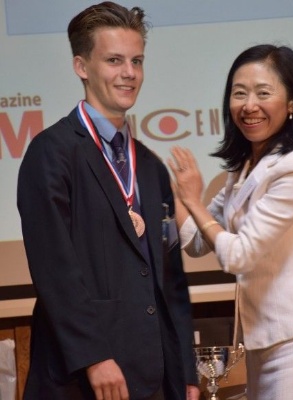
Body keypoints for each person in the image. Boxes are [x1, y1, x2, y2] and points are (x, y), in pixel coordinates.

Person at [17, 2, 200, 400]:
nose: (129, 73)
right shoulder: (51, 152)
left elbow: (171, 281)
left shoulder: (150, 166)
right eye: (114, 60)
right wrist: (94, 356)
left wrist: (186, 369)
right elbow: (54, 270)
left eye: (137, 61)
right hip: (83, 377)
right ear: (81, 66)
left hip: (155, 376)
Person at [168, 44, 293, 399]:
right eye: (239, 93)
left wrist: (193, 200)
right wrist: (170, 190)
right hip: (262, 343)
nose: (249, 106)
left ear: (292, 102)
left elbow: (239, 256)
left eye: (263, 93)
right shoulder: (245, 168)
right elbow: (197, 241)